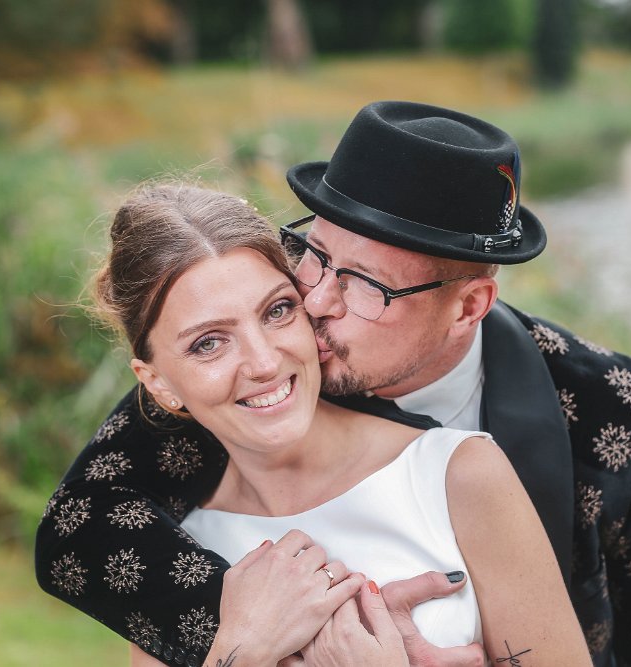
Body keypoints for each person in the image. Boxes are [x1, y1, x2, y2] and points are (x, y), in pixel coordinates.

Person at [36, 101, 631, 666]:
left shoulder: (611, 407)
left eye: (367, 284)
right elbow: (76, 531)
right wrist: (292, 636)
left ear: (468, 307)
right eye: (314, 254)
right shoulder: (259, 378)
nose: (314, 302)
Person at [82, 182, 590, 666]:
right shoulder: (174, 555)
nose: (264, 363)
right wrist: (244, 650)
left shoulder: (457, 473)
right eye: (208, 343)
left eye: (277, 311)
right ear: (157, 383)